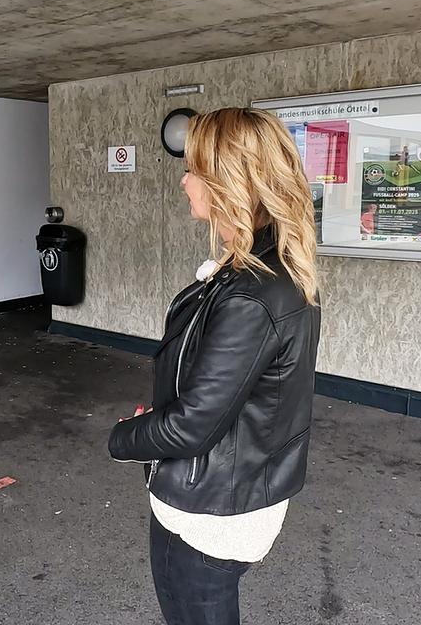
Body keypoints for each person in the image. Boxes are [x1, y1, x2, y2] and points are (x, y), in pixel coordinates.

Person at [108, 107, 321, 625]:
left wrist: (124, 438)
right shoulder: (252, 269)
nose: (183, 181)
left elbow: (192, 426)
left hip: (215, 507)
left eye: (194, 170)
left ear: (228, 182)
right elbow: (210, 390)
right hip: (215, 489)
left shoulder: (253, 293)